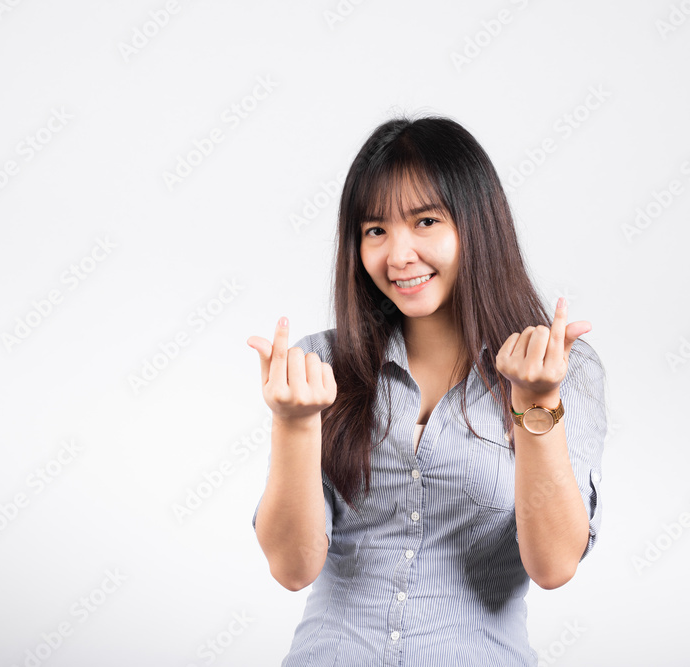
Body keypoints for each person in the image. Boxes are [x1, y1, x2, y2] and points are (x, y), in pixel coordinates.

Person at [246, 114, 608, 665]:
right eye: (375, 230)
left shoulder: (561, 370)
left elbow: (555, 565)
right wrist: (293, 424)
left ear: (476, 224)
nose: (398, 255)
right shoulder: (323, 363)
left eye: (425, 222)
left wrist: (536, 405)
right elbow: (292, 570)